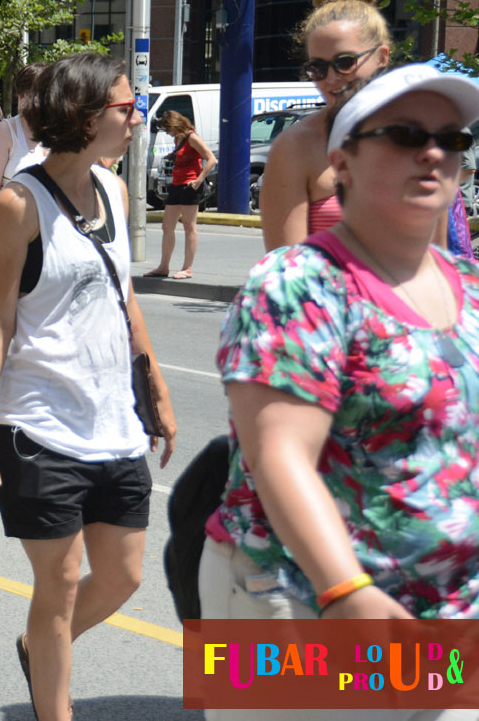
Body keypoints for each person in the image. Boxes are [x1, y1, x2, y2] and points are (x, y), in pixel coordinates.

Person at [201, 65, 479, 721]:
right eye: (405, 135)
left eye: (451, 139)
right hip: (294, 604)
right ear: (342, 163)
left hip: (446, 617)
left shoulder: (468, 285)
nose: (432, 153)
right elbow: (278, 455)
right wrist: (345, 589)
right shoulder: (295, 282)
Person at [0, 53, 176, 721]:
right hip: (37, 425)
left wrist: (158, 391)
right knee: (55, 584)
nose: (136, 118)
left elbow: (124, 300)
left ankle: (39, 644)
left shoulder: (113, 191)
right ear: (85, 117)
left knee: (123, 575)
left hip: (112, 421)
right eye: (126, 107)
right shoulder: (18, 205)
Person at [261, 0, 391, 251]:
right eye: (317, 67)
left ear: (382, 57)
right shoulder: (296, 146)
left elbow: (441, 261)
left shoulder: (423, 135)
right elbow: (287, 268)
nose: (331, 78)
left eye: (345, 62)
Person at [144, 111, 217, 279]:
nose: (167, 132)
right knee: (167, 226)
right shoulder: (178, 138)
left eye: (168, 129)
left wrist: (199, 180)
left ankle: (187, 268)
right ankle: (164, 266)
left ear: (175, 125)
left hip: (190, 185)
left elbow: (211, 159)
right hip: (176, 184)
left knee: (189, 227)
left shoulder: (192, 138)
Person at [0, 63, 48, 206]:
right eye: (21, 95)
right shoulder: (4, 131)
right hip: (17, 216)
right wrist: (21, 211)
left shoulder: (60, 131)